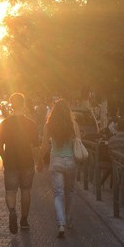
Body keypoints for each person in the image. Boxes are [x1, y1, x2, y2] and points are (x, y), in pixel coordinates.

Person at [0, 92, 38, 234]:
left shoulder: (4, 123)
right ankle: (24, 220)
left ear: (11, 105)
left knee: (10, 191)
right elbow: (36, 146)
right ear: (24, 104)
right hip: (27, 162)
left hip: (10, 162)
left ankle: (12, 211)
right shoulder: (31, 124)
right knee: (26, 190)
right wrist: (38, 160)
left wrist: (4, 158)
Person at [38, 99, 80, 238]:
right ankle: (69, 219)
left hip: (56, 161)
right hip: (71, 162)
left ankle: (60, 223)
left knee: (58, 194)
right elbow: (78, 143)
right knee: (71, 192)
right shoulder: (73, 125)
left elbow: (44, 146)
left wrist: (39, 160)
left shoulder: (49, 125)